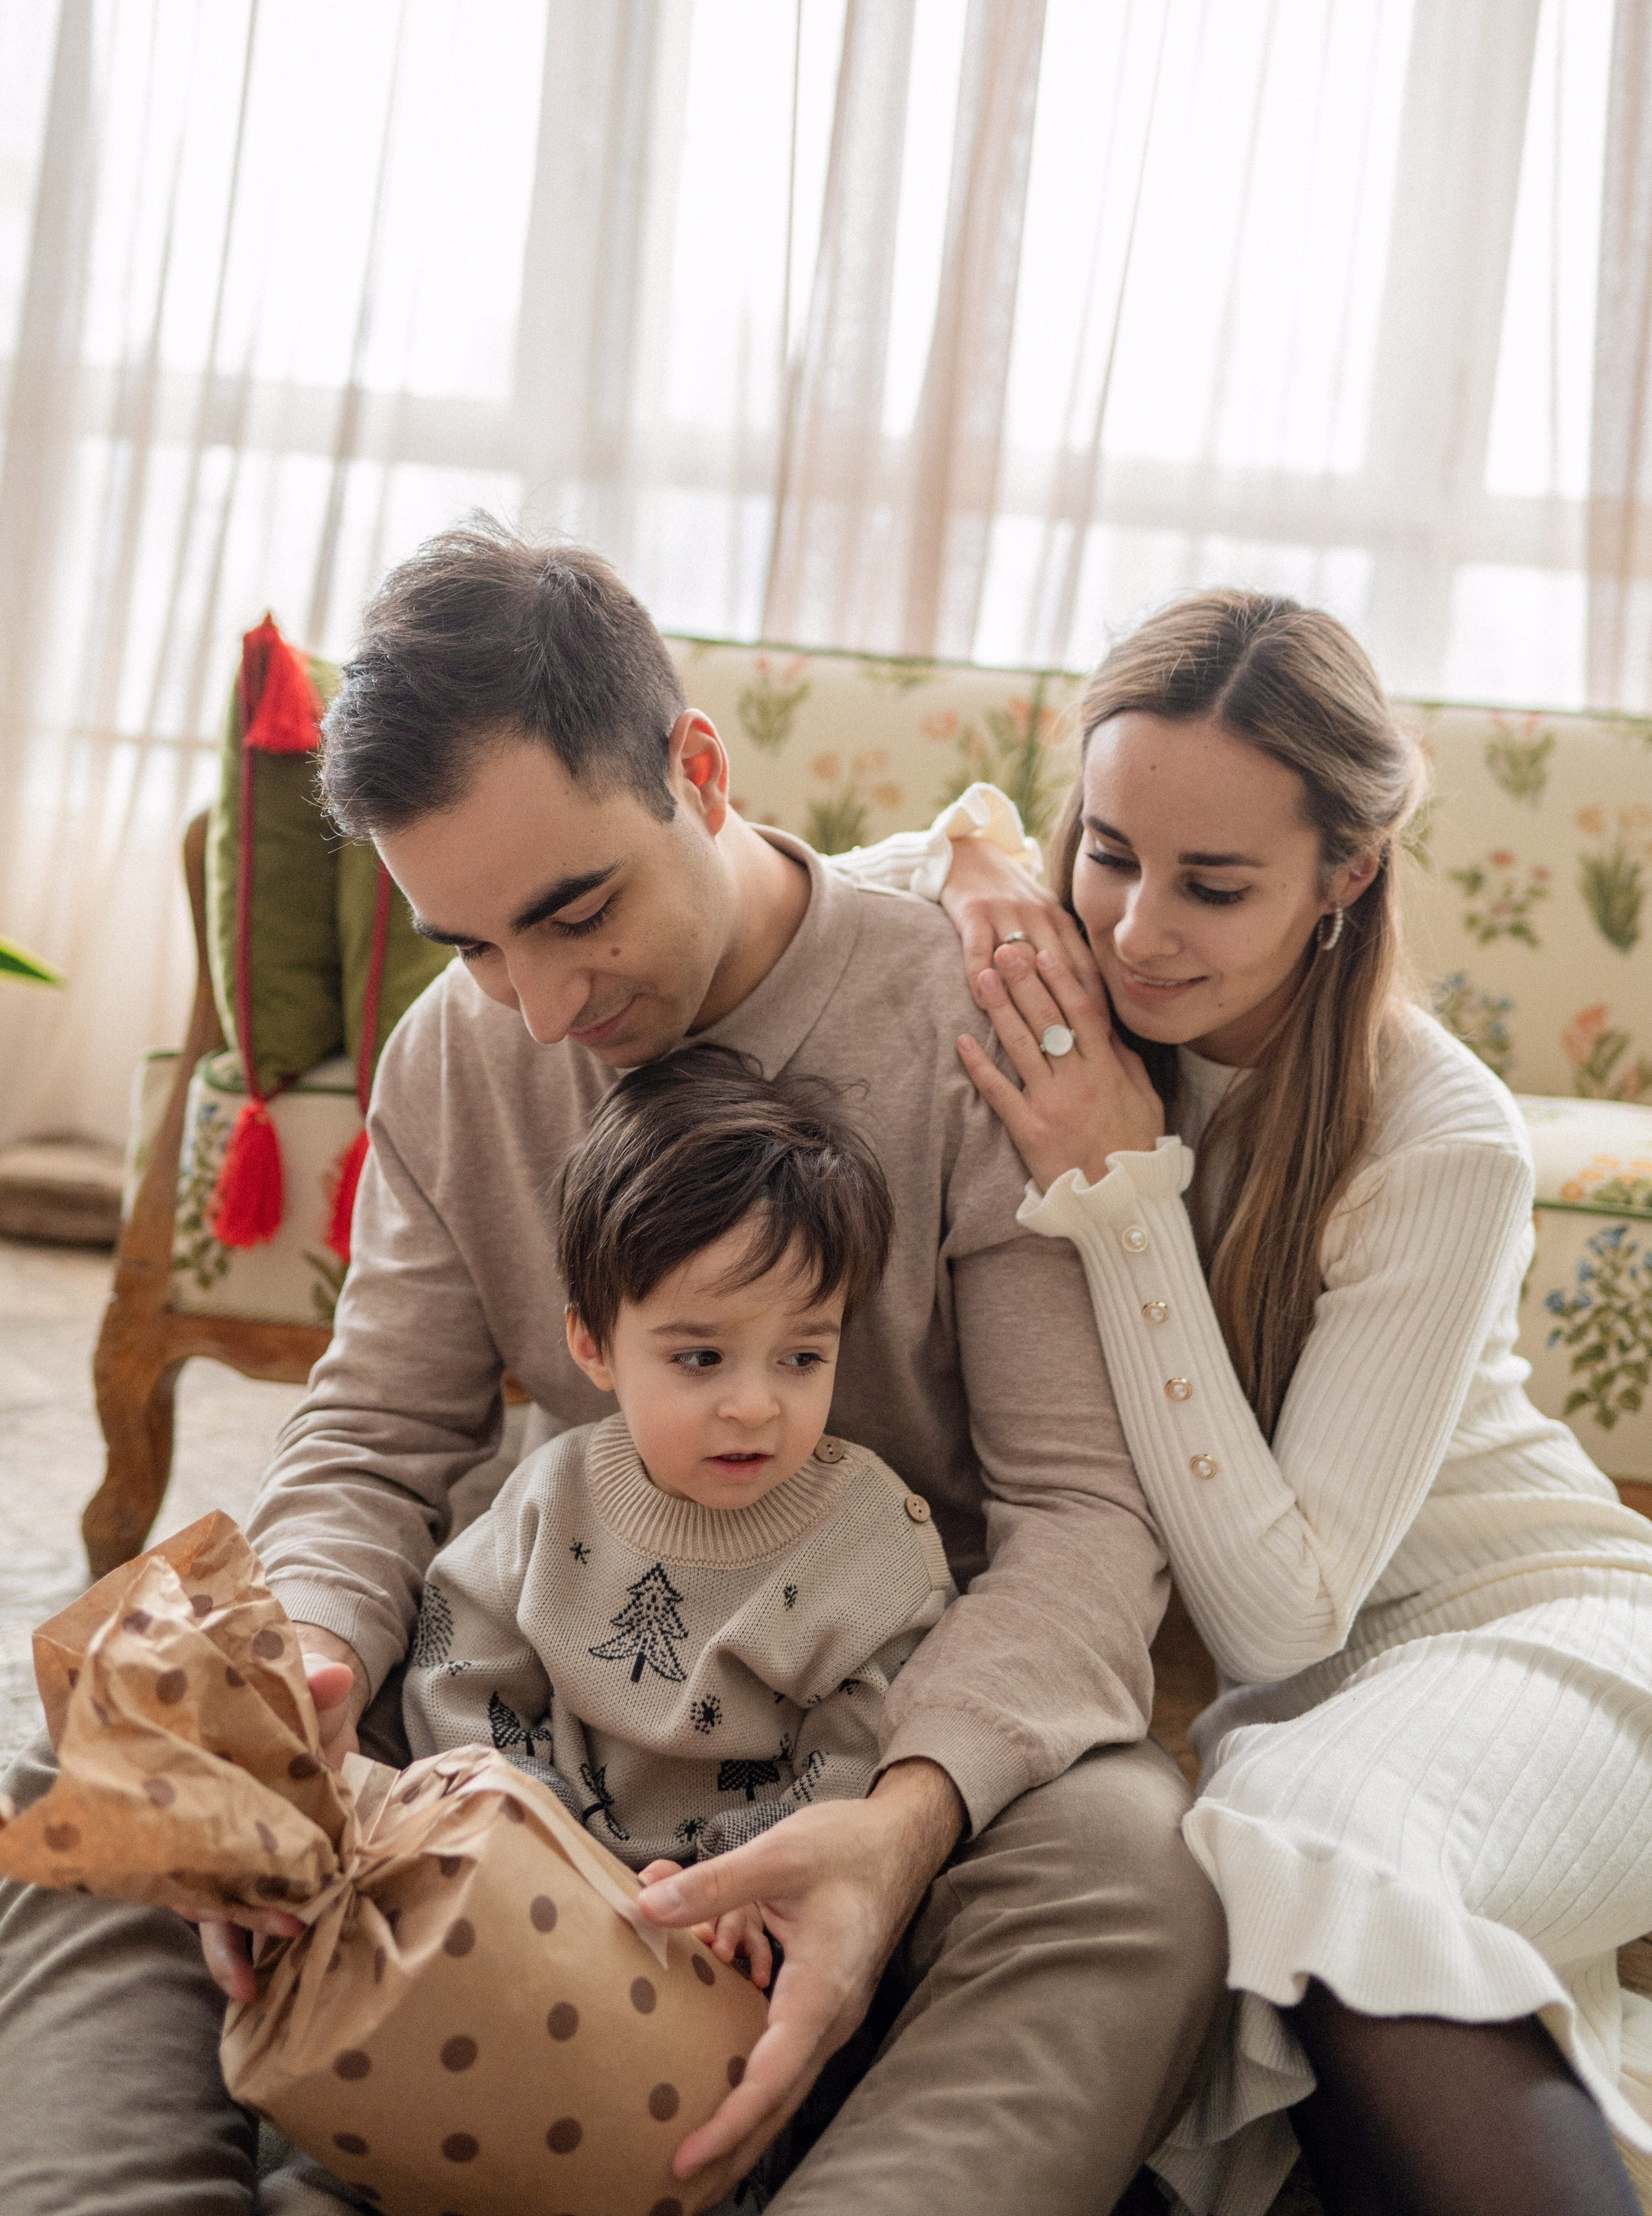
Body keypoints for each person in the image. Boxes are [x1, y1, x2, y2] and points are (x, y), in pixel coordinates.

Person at [0, 524, 1224, 2216]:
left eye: (576, 912)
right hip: (528, 1718)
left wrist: (905, 1826)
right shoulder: (457, 1055)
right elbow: (372, 1435)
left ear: (697, 771)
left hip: (862, 1726)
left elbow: (1081, 1515)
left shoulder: (973, 1025)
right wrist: (301, 1665)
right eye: (469, 943)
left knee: (1134, 1866)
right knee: (104, 1758)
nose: (540, 1004)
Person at [916, 587, 1652, 2216]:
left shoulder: (1438, 1136)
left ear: (1345, 872)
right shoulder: (1075, 989)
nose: (1134, 931)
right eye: (1107, 850)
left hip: (1548, 1629)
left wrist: (1121, 1193)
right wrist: (965, 858)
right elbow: (789, 898)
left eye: (1214, 884)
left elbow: (1276, 1619)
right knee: (1231, 1885)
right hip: (1319, 1707)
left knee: (1305, 1824)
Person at [403, 1046, 956, 1991]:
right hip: (534, 1885)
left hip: (757, 1928)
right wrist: (545, 1843)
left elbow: (859, 1752)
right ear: (594, 1344)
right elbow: (457, 1674)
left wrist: (739, 1880)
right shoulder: (551, 1498)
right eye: (701, 1359)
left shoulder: (872, 1540)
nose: (755, 1406)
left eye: (801, 1359)